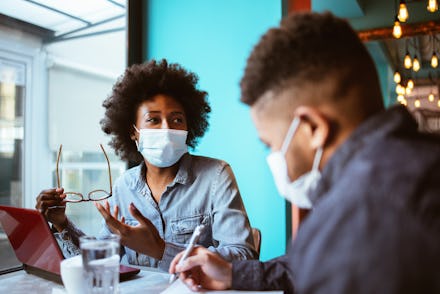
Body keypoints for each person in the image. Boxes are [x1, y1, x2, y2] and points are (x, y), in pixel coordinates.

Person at [169, 12, 440, 293]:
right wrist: (232, 274)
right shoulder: (417, 160)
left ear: (313, 128)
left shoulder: (360, 213)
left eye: (270, 144)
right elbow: (316, 264)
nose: (274, 156)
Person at [36, 59, 257, 271]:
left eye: (177, 119)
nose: (166, 128)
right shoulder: (125, 186)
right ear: (133, 131)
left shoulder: (216, 176)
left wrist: (162, 250)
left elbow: (243, 256)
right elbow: (101, 260)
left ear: (189, 127)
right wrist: (62, 224)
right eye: (153, 119)